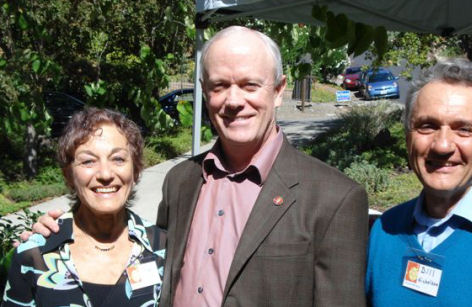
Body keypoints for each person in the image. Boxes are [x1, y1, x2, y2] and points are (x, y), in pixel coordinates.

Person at [28, 26, 369, 306]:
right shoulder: (181, 180)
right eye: (220, 86)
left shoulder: (334, 199)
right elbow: (143, 256)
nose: (234, 101)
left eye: (250, 85)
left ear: (279, 91)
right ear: (205, 93)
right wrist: (61, 237)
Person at [366, 58, 472, 306]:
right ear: (408, 138)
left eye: (463, 129)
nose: (442, 145)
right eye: (427, 126)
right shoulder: (385, 231)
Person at [2, 108, 166, 306]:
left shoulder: (163, 248)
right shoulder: (36, 253)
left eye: (118, 159)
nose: (105, 174)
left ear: (136, 170)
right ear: (68, 175)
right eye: (88, 161)